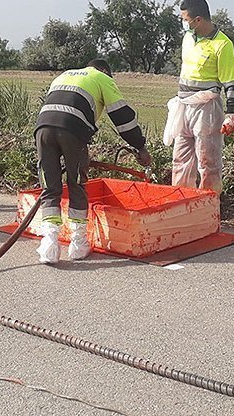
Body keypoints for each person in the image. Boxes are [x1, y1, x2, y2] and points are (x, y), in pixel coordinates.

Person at [34, 59, 151, 264]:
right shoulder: (102, 78)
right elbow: (122, 117)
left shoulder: (65, 74)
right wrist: (140, 146)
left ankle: (49, 246)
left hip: (43, 128)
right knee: (76, 184)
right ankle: (78, 244)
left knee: (50, 187)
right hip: (73, 129)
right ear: (105, 71)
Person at [172, 0, 234, 192]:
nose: (184, 23)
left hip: (206, 107)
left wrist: (231, 113)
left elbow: (230, 82)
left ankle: (209, 203)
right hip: (183, 103)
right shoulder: (187, 38)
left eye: (185, 19)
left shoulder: (222, 44)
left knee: (207, 158)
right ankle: (180, 200)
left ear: (198, 19)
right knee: (181, 157)